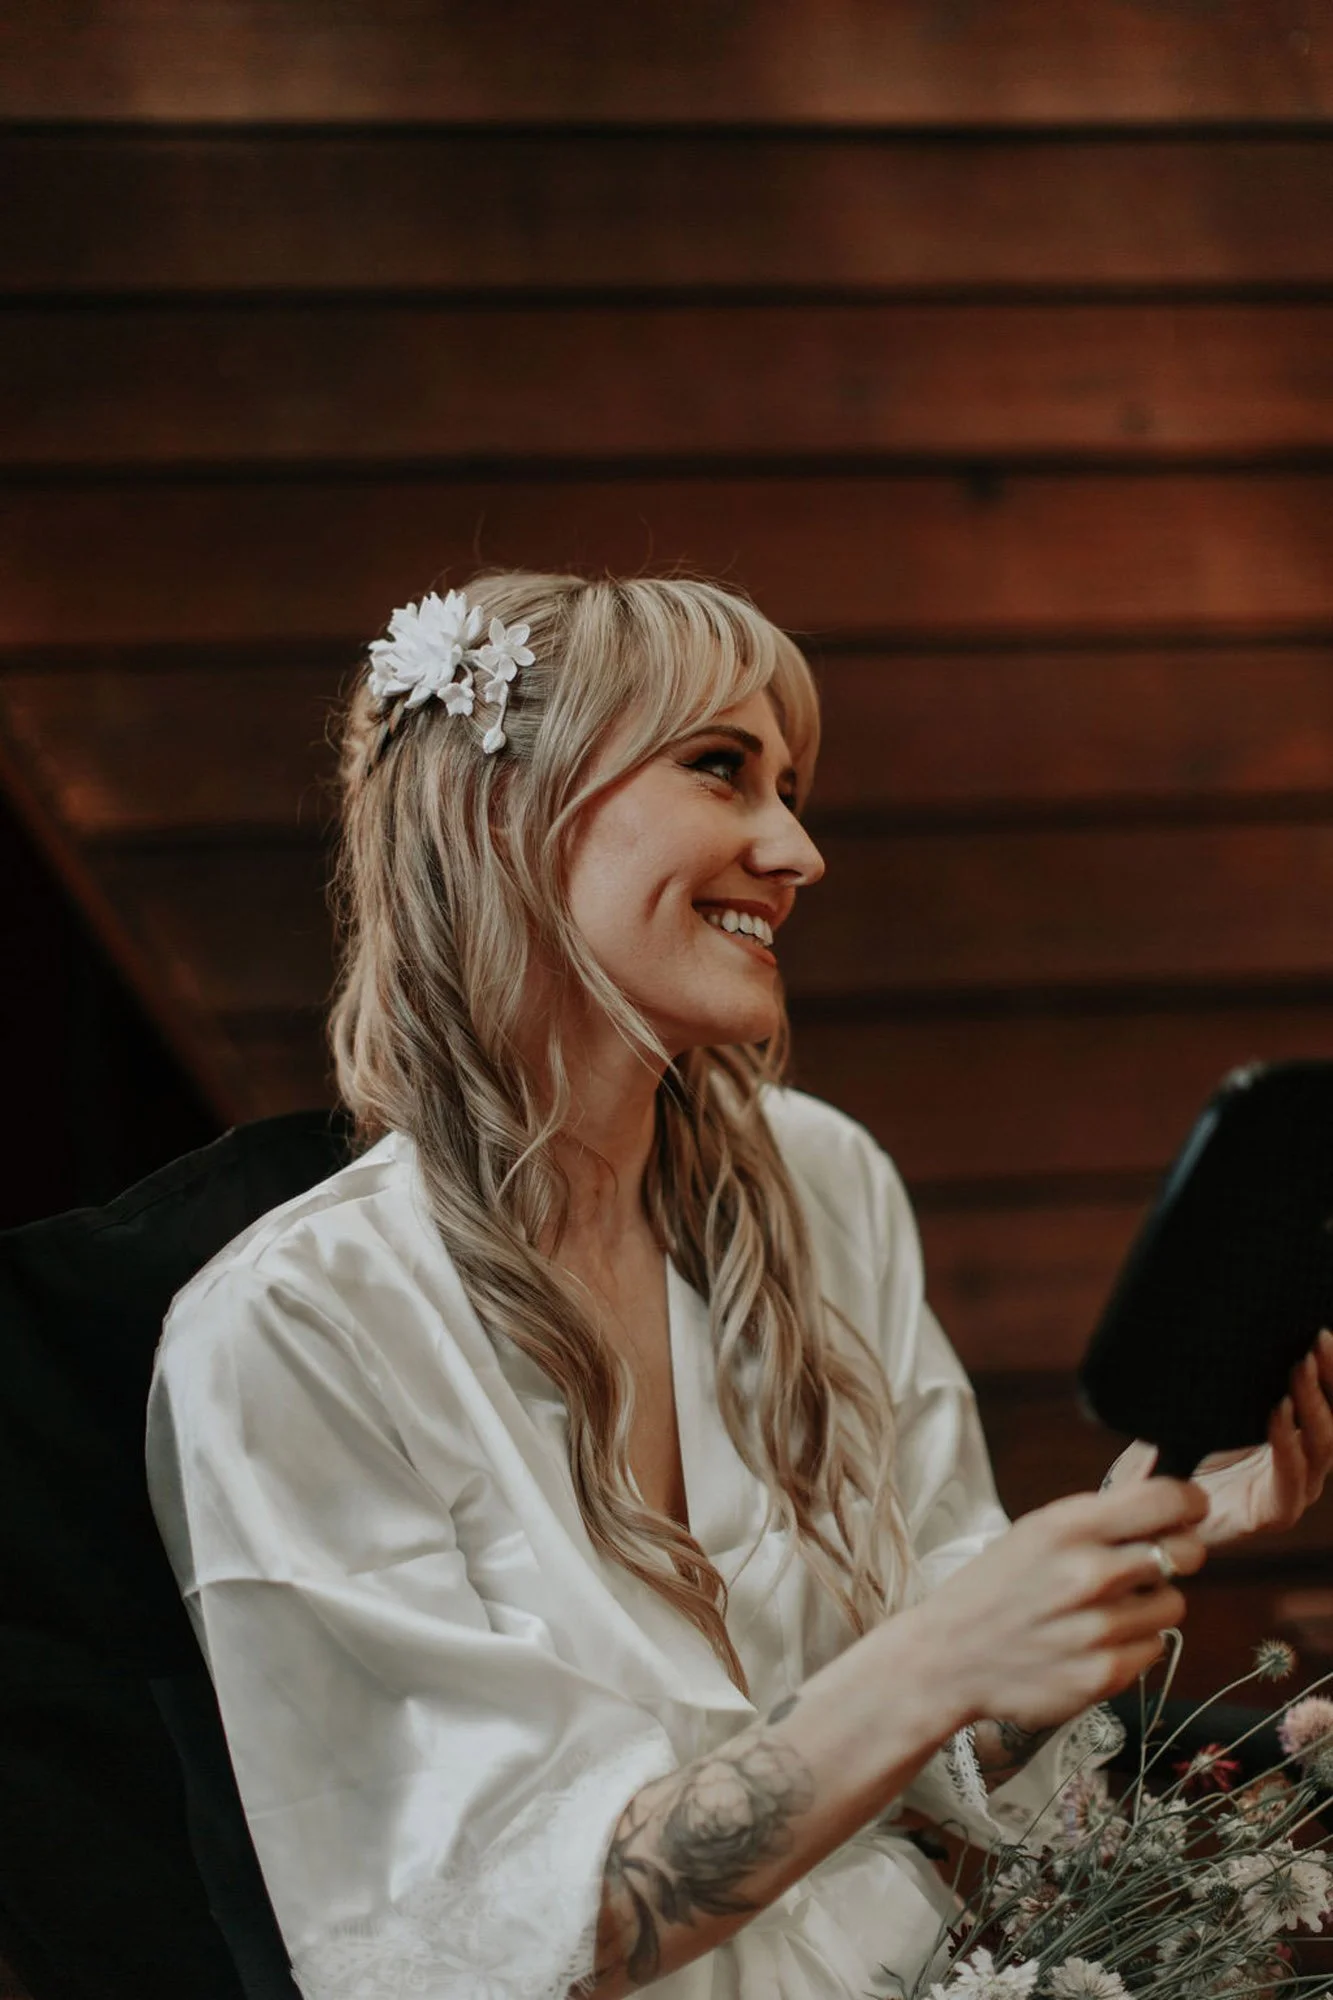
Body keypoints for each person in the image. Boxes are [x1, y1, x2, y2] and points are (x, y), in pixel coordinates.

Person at [146, 573, 1333, 2000]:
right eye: (722, 770)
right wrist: (941, 1658)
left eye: (791, 784)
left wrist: (1132, 1546)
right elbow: (472, 1938)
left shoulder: (822, 1182)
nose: (798, 850)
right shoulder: (292, 1330)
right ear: (500, 815)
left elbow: (935, 1766)